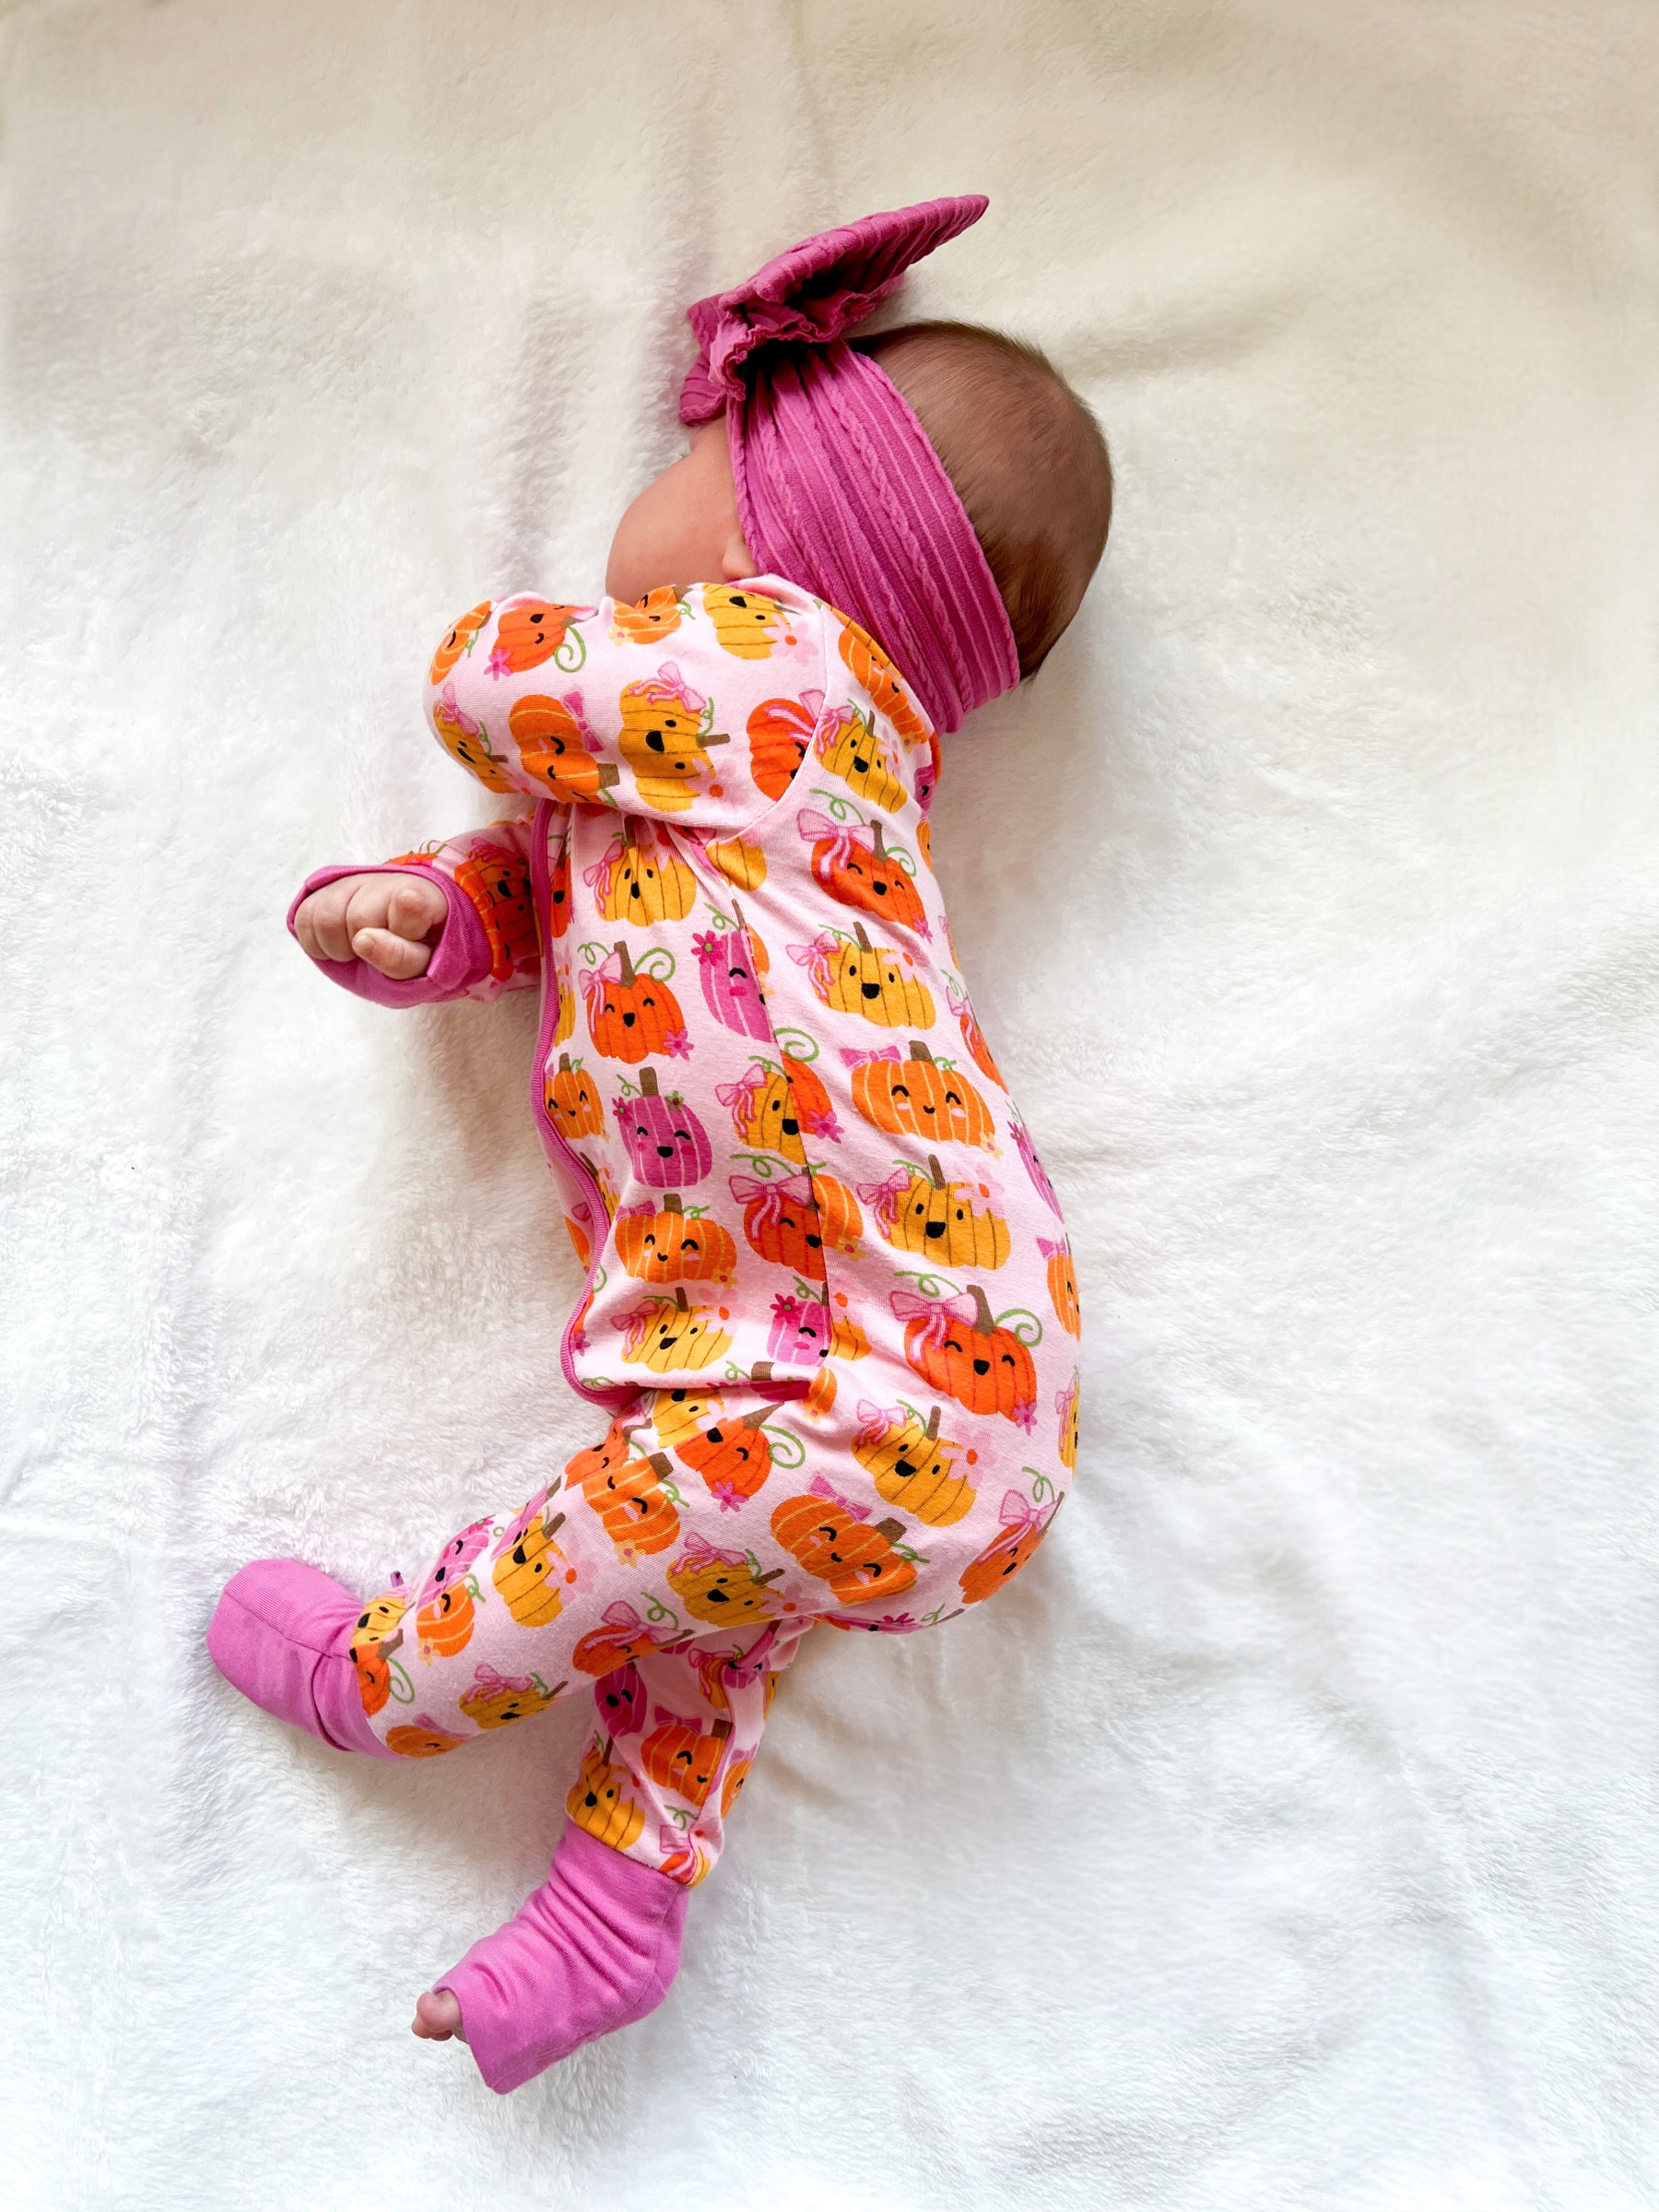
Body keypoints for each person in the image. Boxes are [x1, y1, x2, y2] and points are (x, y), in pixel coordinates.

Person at [207, 195, 1112, 2094]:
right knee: (702, 1576)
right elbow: (605, 929)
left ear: (786, 530)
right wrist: (433, 924)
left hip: (892, 1382)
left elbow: (480, 685)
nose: (660, 478)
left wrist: (512, 656)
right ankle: (622, 1897)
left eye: (698, 451)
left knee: (640, 1531)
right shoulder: (803, 775)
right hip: (849, 1362)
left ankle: (400, 1682)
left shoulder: (764, 667)